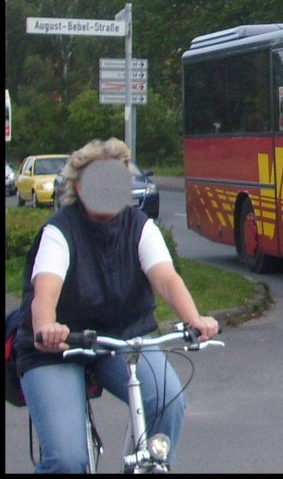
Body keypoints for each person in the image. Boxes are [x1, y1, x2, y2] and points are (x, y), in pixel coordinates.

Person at [12, 138, 219, 473]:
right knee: (66, 459)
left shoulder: (140, 227)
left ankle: (146, 465)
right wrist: (46, 328)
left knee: (168, 401)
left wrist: (194, 320)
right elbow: (45, 290)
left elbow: (166, 278)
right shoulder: (59, 230)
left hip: (123, 339)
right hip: (57, 346)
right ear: (79, 187)